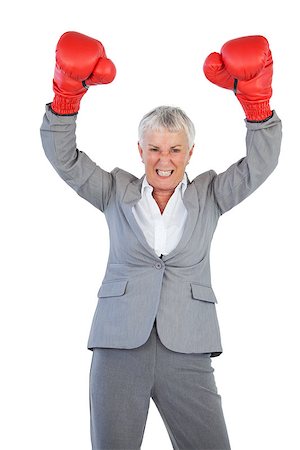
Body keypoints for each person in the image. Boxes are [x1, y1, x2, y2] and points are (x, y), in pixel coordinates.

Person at [40, 31, 282, 450]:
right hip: (118, 345)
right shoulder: (115, 189)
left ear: (190, 153)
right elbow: (65, 160)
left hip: (188, 348)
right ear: (140, 149)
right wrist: (65, 98)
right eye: (154, 148)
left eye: (174, 149)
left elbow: (260, 166)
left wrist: (256, 105)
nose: (163, 160)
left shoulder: (211, 194)